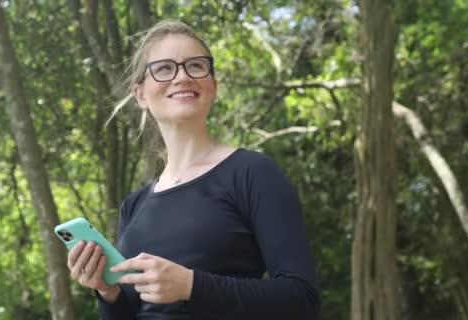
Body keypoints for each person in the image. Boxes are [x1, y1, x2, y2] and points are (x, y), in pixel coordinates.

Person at [66, 20, 320, 320]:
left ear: (212, 85)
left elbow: (301, 299)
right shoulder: (133, 206)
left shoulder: (254, 174)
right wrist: (108, 294)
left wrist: (192, 286)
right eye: (163, 68)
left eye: (196, 66)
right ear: (141, 95)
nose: (182, 77)